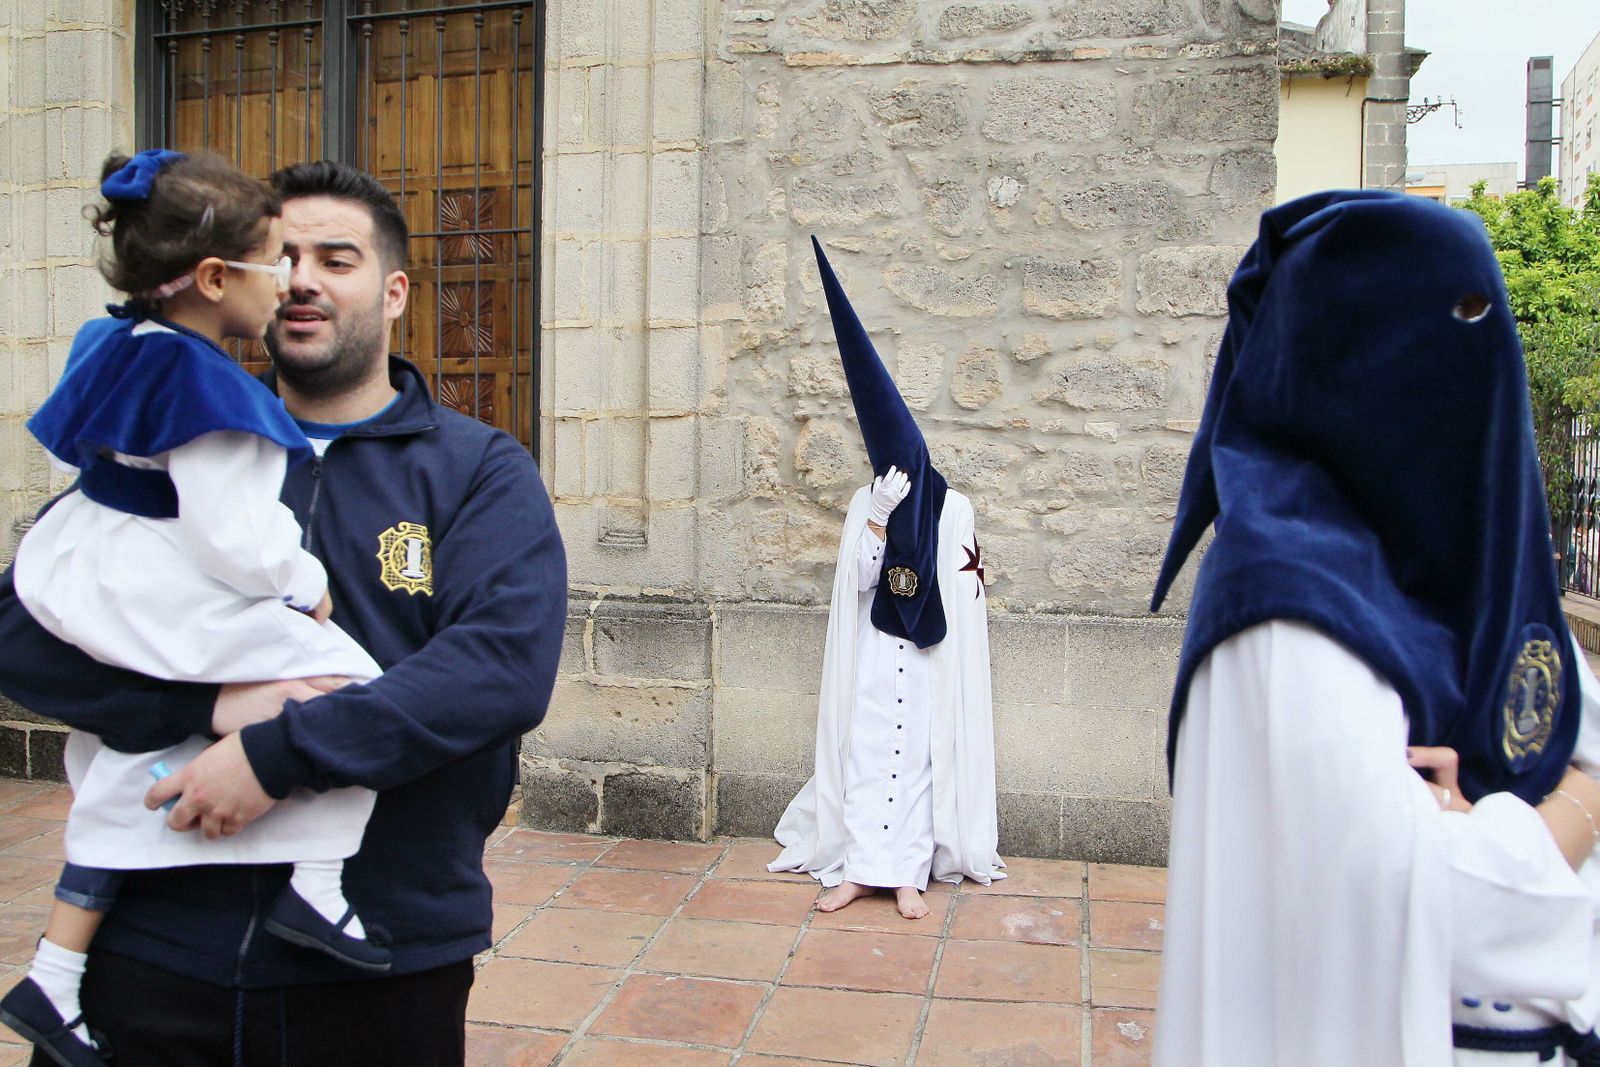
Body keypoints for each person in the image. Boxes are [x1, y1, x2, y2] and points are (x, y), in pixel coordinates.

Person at [0, 158, 566, 1066]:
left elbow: (496, 671)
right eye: (282, 255)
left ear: (392, 293)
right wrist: (205, 712)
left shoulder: (477, 470)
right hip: (150, 934)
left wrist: (276, 755)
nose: (301, 278)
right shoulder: (172, 441)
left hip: (378, 948)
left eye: (334, 258)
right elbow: (24, 633)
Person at [1148, 189, 1600, 1065]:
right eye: (1455, 324)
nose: (1482, 366)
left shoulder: (1410, 555)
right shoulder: (1286, 599)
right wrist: (1582, 800)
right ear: (1352, 355)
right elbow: (1439, 905)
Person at [0, 149, 394, 1067]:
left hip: (80, 566)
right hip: (159, 581)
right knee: (351, 685)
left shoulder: (116, 342)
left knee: (113, 757)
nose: (289, 285)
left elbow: (88, 462)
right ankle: (318, 882)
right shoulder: (213, 389)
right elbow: (233, 540)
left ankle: (56, 973)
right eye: (276, 263)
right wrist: (304, 581)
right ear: (216, 279)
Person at [769, 238, 1005, 918]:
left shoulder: (954, 508)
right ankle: (859, 870)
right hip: (877, 653)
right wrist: (875, 520)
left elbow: (961, 587)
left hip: (927, 655)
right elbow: (860, 581)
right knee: (872, 753)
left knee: (919, 764)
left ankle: (907, 872)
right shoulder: (863, 502)